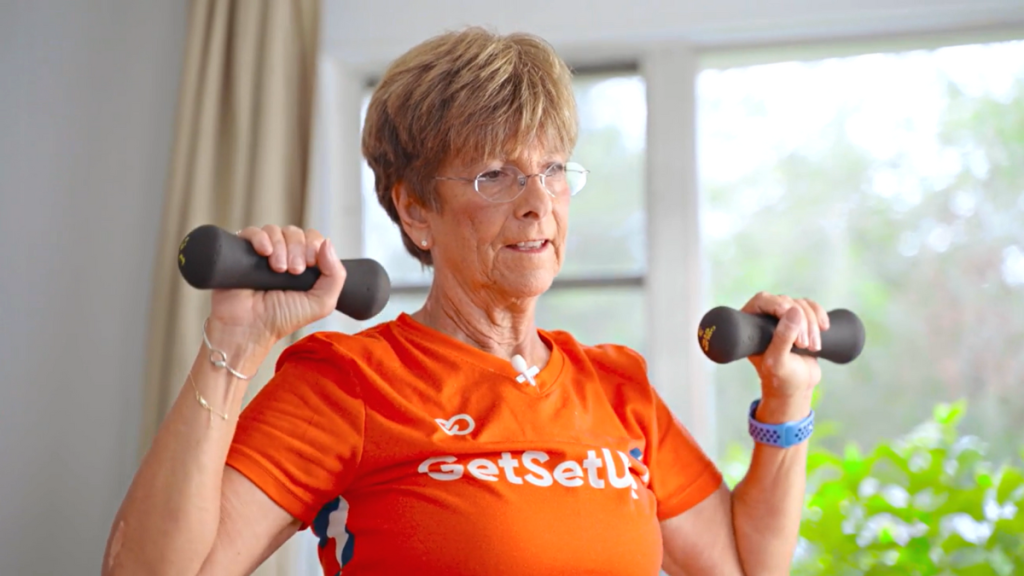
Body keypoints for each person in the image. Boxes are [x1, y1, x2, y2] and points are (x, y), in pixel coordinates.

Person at [103, 27, 829, 576]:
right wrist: (234, 346)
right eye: (494, 175)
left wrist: (785, 402)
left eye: (550, 170)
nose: (537, 204)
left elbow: (742, 565)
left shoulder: (615, 387)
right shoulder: (349, 383)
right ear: (415, 210)